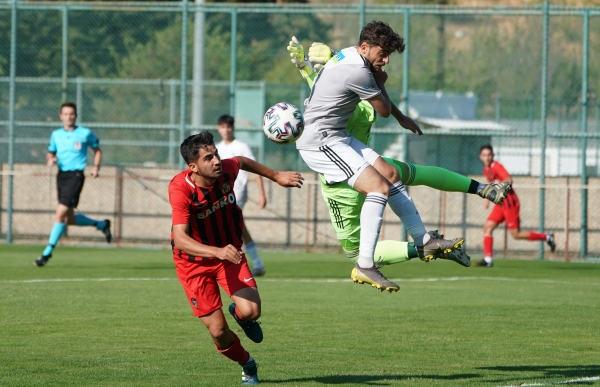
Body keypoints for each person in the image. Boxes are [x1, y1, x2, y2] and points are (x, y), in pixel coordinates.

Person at [287, 37, 513, 270]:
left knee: (357, 253)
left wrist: (308, 67)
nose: (383, 63)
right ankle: (483, 189)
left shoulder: (345, 96)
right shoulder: (366, 104)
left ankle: (418, 249)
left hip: (340, 178)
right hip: (370, 162)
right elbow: (356, 90)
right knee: (417, 173)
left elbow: (321, 103)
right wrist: (327, 61)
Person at [294, 21, 466, 292]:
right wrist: (383, 87)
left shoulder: (350, 57)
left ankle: (423, 240)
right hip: (320, 141)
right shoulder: (358, 72)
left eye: (388, 54)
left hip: (335, 134)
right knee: (379, 188)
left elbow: (382, 103)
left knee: (390, 173)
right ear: (365, 47)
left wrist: (402, 116)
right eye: (382, 53)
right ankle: (364, 264)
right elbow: (382, 109)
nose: (385, 60)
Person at [169, 131, 303, 385]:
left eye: (216, 154)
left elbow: (241, 160)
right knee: (219, 332)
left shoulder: (226, 170)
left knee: (251, 311)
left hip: (228, 254)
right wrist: (217, 252)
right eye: (208, 158)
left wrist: (276, 176)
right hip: (194, 264)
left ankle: (240, 314)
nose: (217, 161)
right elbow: (180, 239)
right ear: (193, 166)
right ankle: (247, 363)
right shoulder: (181, 189)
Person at [35, 102, 111, 267]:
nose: (68, 117)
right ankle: (101, 224)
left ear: (75, 116)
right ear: (60, 116)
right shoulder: (56, 134)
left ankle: (47, 253)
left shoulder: (84, 133)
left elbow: (97, 150)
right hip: (61, 176)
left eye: (71, 114)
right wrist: (50, 159)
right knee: (67, 219)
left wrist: (96, 167)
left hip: (76, 175)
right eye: (65, 114)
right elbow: (50, 153)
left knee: (60, 212)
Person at [476, 144, 555, 267]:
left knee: (516, 235)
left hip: (509, 203)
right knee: (487, 228)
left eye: (489, 155)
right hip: (500, 204)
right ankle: (488, 260)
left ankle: (546, 237)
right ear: (480, 157)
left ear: (493, 156)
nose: (487, 157)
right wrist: (487, 199)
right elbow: (493, 183)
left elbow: (509, 180)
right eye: (484, 155)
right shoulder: (486, 170)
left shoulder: (497, 166)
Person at [216, 115, 267, 276]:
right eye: (223, 127)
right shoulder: (216, 148)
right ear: (219, 128)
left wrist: (262, 193)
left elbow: (255, 169)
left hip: (237, 193)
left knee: (228, 225)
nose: (226, 130)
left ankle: (233, 264)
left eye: (229, 127)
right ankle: (257, 263)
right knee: (239, 227)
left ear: (233, 128)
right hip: (220, 195)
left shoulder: (242, 146)